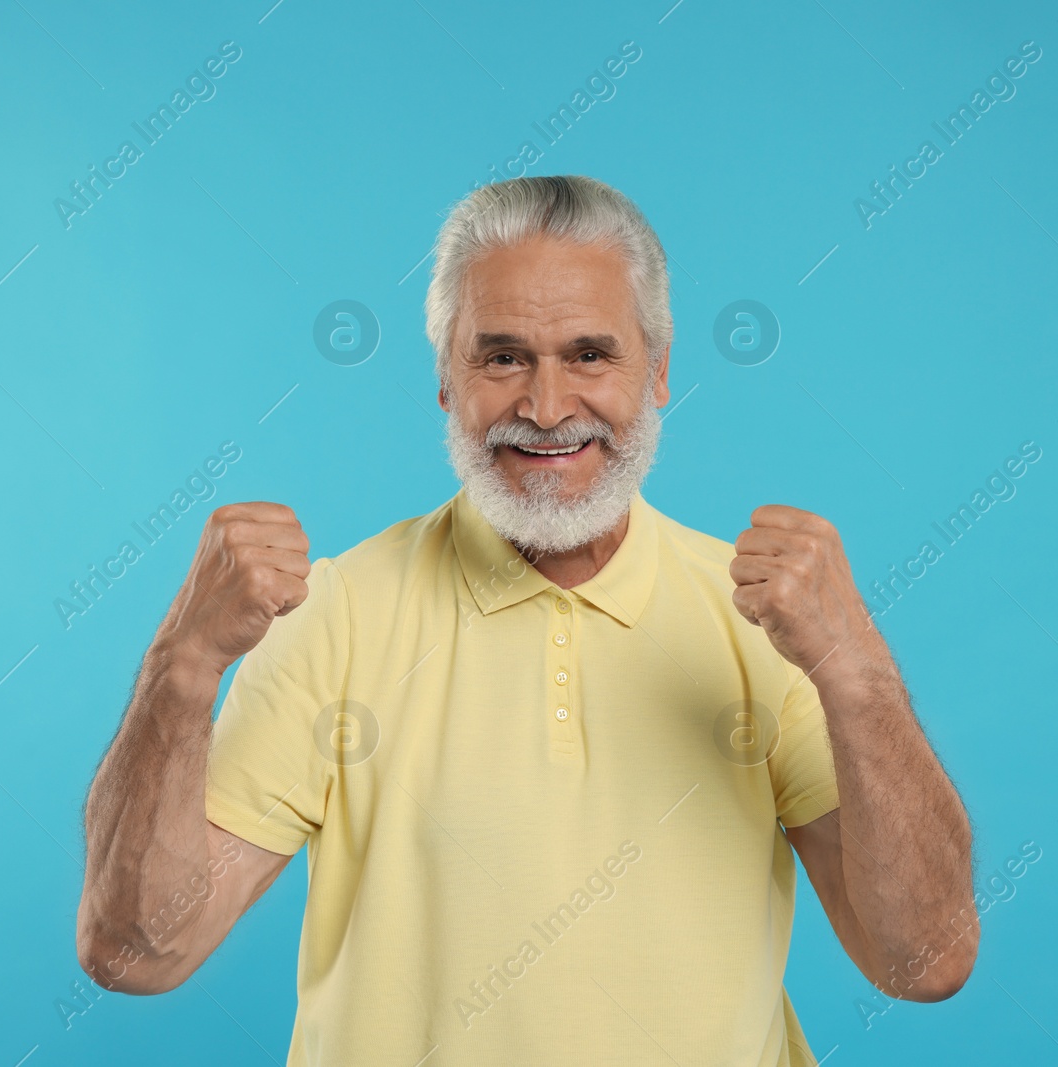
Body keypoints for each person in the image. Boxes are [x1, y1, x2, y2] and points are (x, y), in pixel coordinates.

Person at [76, 174, 977, 1065]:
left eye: (590, 354)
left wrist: (856, 672)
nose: (546, 411)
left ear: (659, 370)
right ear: (444, 379)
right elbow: (137, 952)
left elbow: (925, 962)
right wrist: (182, 664)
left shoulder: (767, 624)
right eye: (503, 356)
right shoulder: (335, 612)